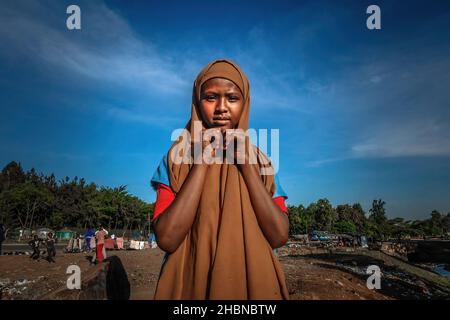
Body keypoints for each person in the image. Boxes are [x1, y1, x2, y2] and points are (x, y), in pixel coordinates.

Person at [150, 59, 289, 299]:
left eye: (232, 98)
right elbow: (167, 238)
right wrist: (201, 162)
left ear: (245, 104)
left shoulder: (261, 162)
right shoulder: (176, 159)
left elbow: (278, 235)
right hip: (190, 285)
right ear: (196, 101)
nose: (221, 107)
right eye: (211, 97)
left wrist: (246, 167)